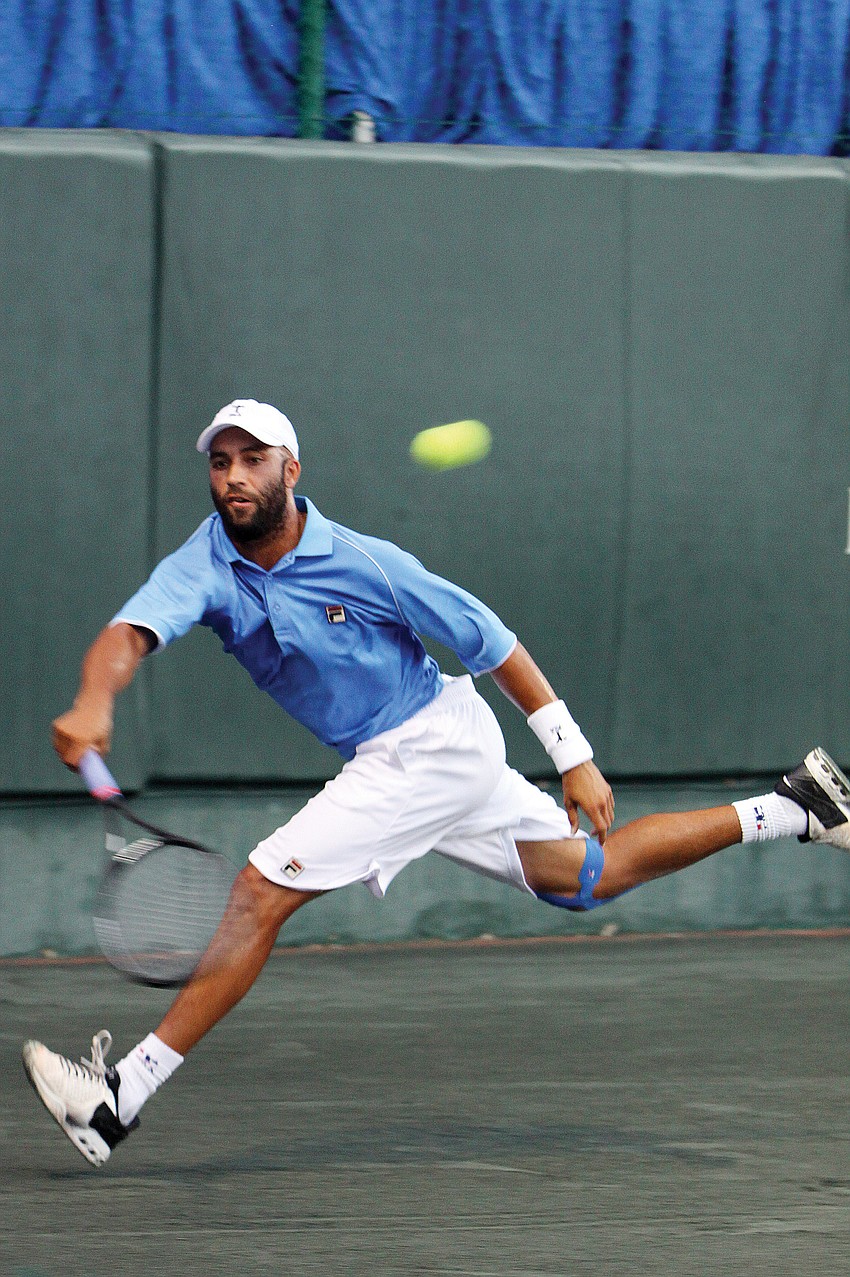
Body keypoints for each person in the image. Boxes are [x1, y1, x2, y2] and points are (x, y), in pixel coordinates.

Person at [23, 398, 850, 1168]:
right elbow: (128, 635)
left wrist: (574, 753)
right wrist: (95, 699)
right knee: (586, 877)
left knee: (256, 893)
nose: (234, 475)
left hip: (429, 747)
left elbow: (488, 638)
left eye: (253, 458)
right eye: (221, 462)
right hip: (411, 758)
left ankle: (119, 1096)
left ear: (291, 471)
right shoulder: (204, 560)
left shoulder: (366, 563)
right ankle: (794, 807)